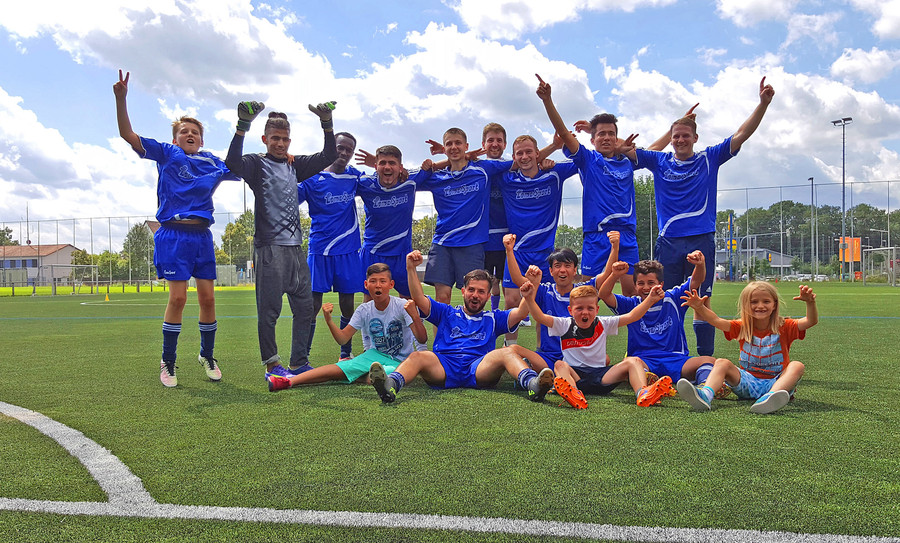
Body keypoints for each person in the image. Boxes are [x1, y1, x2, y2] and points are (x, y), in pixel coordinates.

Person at [628, 77, 775, 357]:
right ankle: (666, 356)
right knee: (665, 300)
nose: (680, 140)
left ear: (696, 138)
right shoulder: (660, 161)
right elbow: (634, 153)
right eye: (676, 136)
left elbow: (741, 134)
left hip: (700, 240)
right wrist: (672, 128)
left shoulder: (709, 158)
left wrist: (763, 104)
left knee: (701, 301)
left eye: (686, 135)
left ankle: (705, 360)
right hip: (669, 242)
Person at [114, 70, 235, 387]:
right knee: (178, 299)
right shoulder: (168, 154)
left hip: (202, 236)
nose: (190, 134)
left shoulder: (213, 162)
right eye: (184, 131)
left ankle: (207, 355)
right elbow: (128, 134)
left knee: (208, 300)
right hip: (173, 235)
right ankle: (167, 362)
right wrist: (121, 98)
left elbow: (246, 168)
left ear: (202, 140)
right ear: (175, 139)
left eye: (195, 131)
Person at [224, 102, 337, 381]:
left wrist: (326, 122)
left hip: (296, 249)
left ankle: (299, 362)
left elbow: (329, 155)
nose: (280, 144)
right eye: (275, 138)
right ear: (265, 139)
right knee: (269, 312)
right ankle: (272, 365)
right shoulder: (256, 163)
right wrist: (242, 125)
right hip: (270, 249)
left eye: (285, 139)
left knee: (305, 308)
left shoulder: (294, 165)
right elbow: (232, 163)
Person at [536, 73, 674, 296]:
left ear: (617, 138)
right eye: (601, 134)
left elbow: (654, 150)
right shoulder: (588, 160)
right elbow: (563, 133)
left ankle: (630, 321)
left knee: (632, 294)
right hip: (597, 236)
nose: (606, 137)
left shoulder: (628, 161)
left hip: (626, 236)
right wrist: (547, 100)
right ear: (593, 140)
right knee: (587, 294)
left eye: (611, 134)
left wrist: (674, 129)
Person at [368, 250, 554, 404]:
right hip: (444, 366)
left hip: (479, 368)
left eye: (481, 292)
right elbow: (419, 298)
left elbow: (521, 313)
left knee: (506, 352)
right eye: (471, 290)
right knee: (418, 356)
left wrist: (533, 286)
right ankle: (390, 386)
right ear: (463, 291)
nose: (475, 295)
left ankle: (533, 385)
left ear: (488, 296)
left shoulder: (493, 318)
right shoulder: (446, 312)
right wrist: (411, 269)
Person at [267, 263, 427, 391]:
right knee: (341, 368)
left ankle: (364, 377)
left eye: (382, 281)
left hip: (401, 360)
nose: (378, 285)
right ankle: (289, 381)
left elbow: (422, 338)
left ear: (391, 284)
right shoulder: (364, 310)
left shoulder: (402, 306)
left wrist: (414, 316)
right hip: (374, 355)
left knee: (390, 373)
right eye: (373, 281)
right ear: (366, 285)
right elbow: (343, 339)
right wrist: (329, 320)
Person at [520, 281, 671, 409]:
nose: (585, 312)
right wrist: (528, 298)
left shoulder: (603, 323)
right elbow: (540, 317)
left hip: (602, 376)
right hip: (576, 377)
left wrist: (650, 299)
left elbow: (632, 316)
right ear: (570, 310)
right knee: (559, 365)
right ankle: (573, 394)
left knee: (634, 361)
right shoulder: (564, 324)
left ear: (597, 309)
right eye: (579, 308)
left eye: (590, 308)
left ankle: (643, 393)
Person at [677, 282, 817, 414]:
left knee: (797, 366)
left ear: (774, 304)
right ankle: (705, 396)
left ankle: (770, 399)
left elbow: (810, 321)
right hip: (747, 382)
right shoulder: (742, 326)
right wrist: (700, 308)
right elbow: (716, 321)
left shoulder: (785, 326)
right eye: (754, 302)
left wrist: (810, 302)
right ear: (745, 305)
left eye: (766, 301)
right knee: (721, 362)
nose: (760, 306)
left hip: (777, 383)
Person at [494, 134, 577, 343]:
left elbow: (581, 158)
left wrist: (555, 149)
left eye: (529, 152)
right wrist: (552, 147)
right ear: (514, 157)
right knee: (512, 302)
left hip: (545, 254)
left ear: (537, 153)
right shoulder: (506, 179)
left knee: (544, 304)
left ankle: (543, 351)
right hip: (517, 252)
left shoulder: (554, 173)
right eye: (519, 153)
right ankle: (510, 347)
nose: (524, 157)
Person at [417, 128, 510, 305]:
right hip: (442, 243)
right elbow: (407, 180)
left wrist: (549, 154)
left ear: (466, 146)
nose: (454, 147)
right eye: (449, 144)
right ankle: (442, 326)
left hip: (471, 245)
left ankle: (473, 326)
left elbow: (524, 161)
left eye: (458, 143)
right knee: (442, 298)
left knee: (473, 298)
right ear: (444, 149)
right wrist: (429, 167)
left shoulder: (483, 169)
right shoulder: (437, 177)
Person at [503, 231, 619, 372]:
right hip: (549, 356)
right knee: (513, 349)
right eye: (557, 266)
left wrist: (615, 247)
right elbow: (517, 280)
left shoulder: (584, 292)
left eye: (567, 265)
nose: (562, 270)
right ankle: (539, 374)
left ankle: (541, 372)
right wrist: (509, 251)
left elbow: (607, 274)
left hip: (578, 357)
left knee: (604, 358)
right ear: (551, 271)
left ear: (575, 270)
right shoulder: (544, 291)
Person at [598, 254, 716, 389]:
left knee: (708, 361)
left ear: (661, 284)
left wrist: (700, 265)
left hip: (675, 359)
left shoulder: (674, 298)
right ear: (635, 286)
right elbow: (604, 295)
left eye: (651, 283)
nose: (646, 287)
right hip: (643, 360)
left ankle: (704, 385)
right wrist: (614, 275)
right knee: (631, 362)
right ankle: (646, 380)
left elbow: (696, 280)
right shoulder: (631, 304)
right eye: (641, 283)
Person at [300, 132, 364, 362]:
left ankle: (345, 354)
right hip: (319, 250)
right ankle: (303, 356)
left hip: (347, 249)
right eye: (340, 147)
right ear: (330, 146)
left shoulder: (355, 176)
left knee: (347, 303)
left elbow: (382, 181)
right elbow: (288, 198)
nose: (344, 153)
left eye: (349, 150)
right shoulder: (312, 178)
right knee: (312, 305)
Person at [354, 145, 431, 299]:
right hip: (373, 253)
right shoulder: (364, 183)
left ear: (400, 168)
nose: (387, 167)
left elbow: (432, 168)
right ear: (375, 166)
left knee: (410, 303)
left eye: (392, 163)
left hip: (402, 254)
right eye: (382, 163)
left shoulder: (410, 181)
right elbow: (341, 178)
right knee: (371, 303)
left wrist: (467, 156)